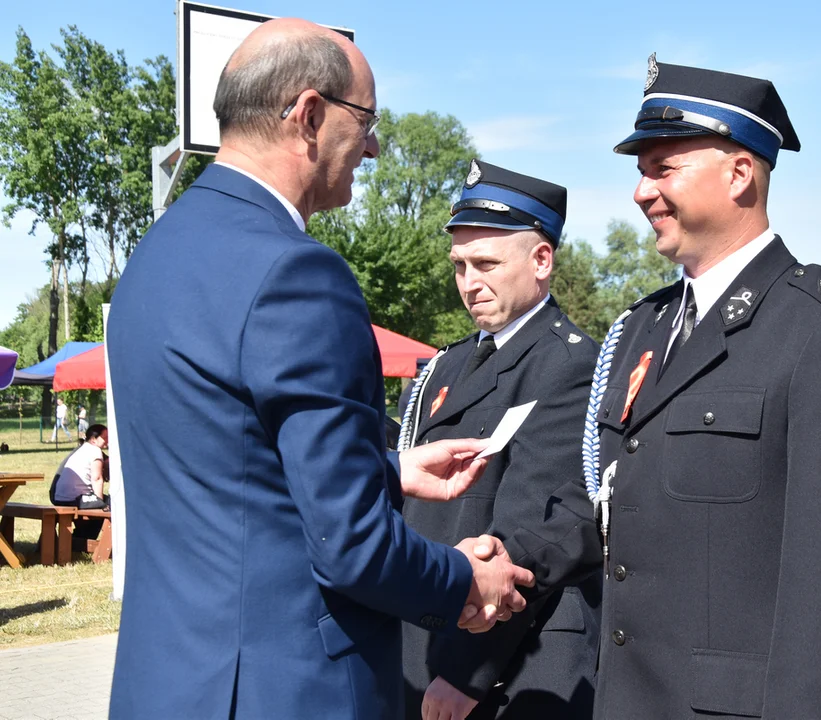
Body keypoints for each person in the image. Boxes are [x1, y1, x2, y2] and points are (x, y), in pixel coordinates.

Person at [106, 19, 534, 720]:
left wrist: (388, 469)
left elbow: (227, 468)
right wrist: (464, 580)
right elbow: (351, 546)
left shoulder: (156, 257)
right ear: (308, 115)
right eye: (364, 120)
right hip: (285, 690)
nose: (370, 146)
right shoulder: (296, 272)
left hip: (172, 683)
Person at [582, 56, 821, 718]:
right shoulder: (643, 329)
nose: (642, 192)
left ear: (738, 174)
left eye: (661, 168)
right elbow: (610, 506)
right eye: (640, 173)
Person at [398, 161, 602, 719]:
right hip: (425, 641)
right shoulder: (446, 365)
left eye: (486, 263)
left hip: (508, 665)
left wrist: (467, 672)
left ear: (542, 260)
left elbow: (535, 531)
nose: (469, 282)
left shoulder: (569, 363)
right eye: (460, 265)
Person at [51, 423, 110, 539]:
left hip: (60, 497)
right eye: (105, 438)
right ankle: (86, 542)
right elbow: (97, 479)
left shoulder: (82, 449)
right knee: (114, 504)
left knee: (105, 504)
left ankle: (79, 540)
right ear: (93, 439)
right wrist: (100, 503)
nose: (107, 441)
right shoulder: (95, 451)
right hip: (73, 500)